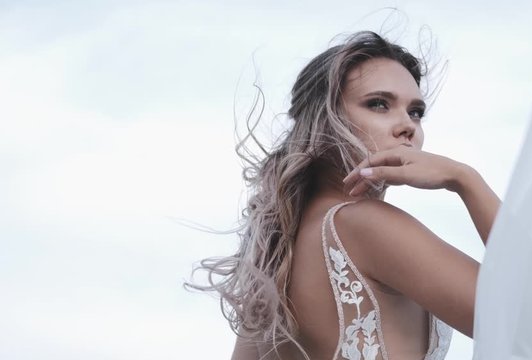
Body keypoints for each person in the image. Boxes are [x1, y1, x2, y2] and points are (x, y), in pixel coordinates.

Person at [186, 31, 501, 360]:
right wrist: (465, 179)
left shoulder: (279, 252)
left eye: (415, 112)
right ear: (322, 121)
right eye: (378, 104)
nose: (407, 126)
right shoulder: (362, 225)